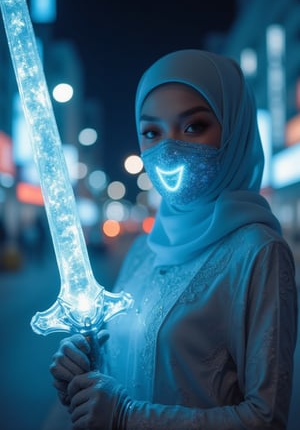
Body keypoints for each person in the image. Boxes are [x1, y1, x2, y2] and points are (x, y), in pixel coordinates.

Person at [49, 49, 298, 429]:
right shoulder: (143, 249)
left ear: (233, 131)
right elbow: (129, 368)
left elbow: (266, 418)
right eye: (151, 132)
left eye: (194, 126)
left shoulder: (258, 252)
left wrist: (126, 416)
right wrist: (87, 366)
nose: (169, 149)